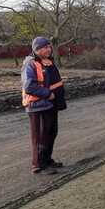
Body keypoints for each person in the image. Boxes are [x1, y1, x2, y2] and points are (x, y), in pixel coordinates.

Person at [21, 37, 66, 175]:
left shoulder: (47, 61)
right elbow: (29, 86)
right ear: (37, 49)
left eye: (49, 46)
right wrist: (47, 94)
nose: (48, 49)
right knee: (41, 136)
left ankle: (47, 160)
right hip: (37, 105)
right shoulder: (31, 64)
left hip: (49, 105)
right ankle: (39, 164)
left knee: (51, 133)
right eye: (45, 47)